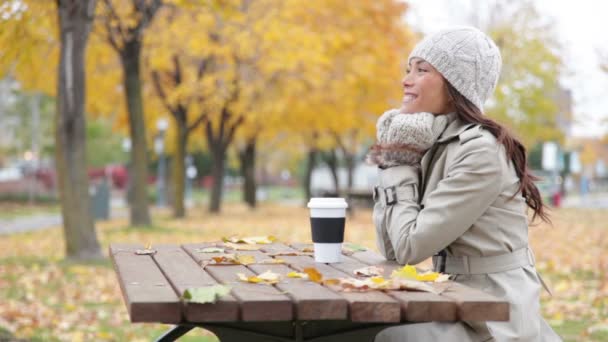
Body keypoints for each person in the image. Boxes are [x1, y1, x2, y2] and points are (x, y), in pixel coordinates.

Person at [367, 26, 561, 341]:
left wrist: (399, 160)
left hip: (494, 315)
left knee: (389, 336)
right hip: (451, 296)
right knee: (350, 329)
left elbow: (407, 248)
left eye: (421, 69)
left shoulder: (479, 150)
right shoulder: (434, 140)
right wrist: (396, 160)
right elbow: (391, 246)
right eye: (408, 69)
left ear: (456, 84)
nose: (406, 79)